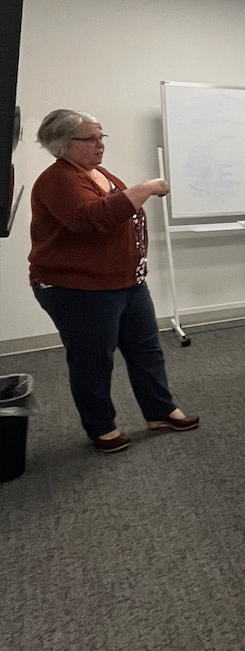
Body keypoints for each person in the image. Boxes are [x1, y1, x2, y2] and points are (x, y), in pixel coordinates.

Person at [28, 109, 198, 453]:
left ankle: (159, 410)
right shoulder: (59, 179)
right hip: (77, 289)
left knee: (146, 351)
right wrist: (146, 187)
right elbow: (95, 219)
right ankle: (101, 427)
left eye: (101, 137)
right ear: (63, 144)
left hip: (127, 283)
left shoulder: (96, 172)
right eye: (89, 139)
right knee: (93, 360)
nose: (99, 145)